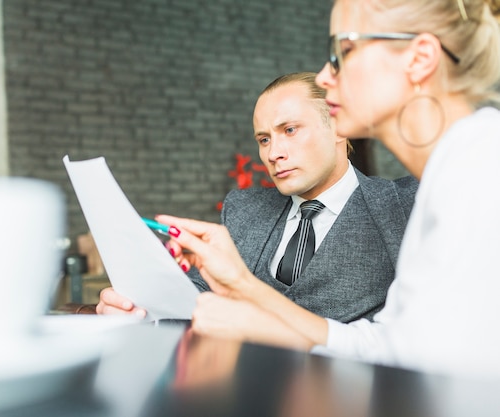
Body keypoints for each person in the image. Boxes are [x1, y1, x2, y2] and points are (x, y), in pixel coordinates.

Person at [158, 0, 500, 378]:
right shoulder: (450, 177)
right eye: (264, 139)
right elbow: (387, 348)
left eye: (344, 51)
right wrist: (243, 286)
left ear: (419, 59)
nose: (323, 76)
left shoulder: (483, 171)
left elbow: (464, 382)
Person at [97, 72, 418, 325]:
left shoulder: (401, 206)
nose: (273, 153)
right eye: (264, 139)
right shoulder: (243, 209)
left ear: (338, 127)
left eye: (290, 130)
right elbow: (198, 295)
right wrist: (141, 305)